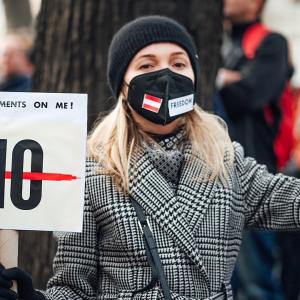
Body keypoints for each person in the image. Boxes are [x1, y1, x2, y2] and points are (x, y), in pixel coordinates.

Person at [1, 15, 300, 300]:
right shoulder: (90, 172)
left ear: (194, 78)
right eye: (147, 64)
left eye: (178, 63)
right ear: (123, 84)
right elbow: (75, 288)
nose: (166, 74)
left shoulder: (228, 164)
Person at [215, 0, 291, 299]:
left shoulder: (271, 44)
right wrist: (227, 79)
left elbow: (248, 96)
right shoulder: (219, 41)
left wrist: (218, 79)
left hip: (255, 178)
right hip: (217, 178)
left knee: (256, 281)